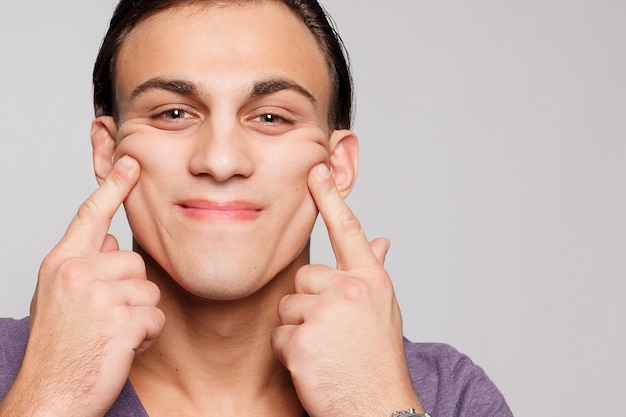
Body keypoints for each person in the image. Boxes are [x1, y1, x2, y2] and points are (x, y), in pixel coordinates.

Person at [0, 1, 513, 416]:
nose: (220, 160)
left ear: (338, 165)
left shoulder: (446, 397)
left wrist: (375, 407)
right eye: (173, 113)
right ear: (107, 152)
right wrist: (49, 400)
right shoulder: (14, 372)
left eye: (270, 117)